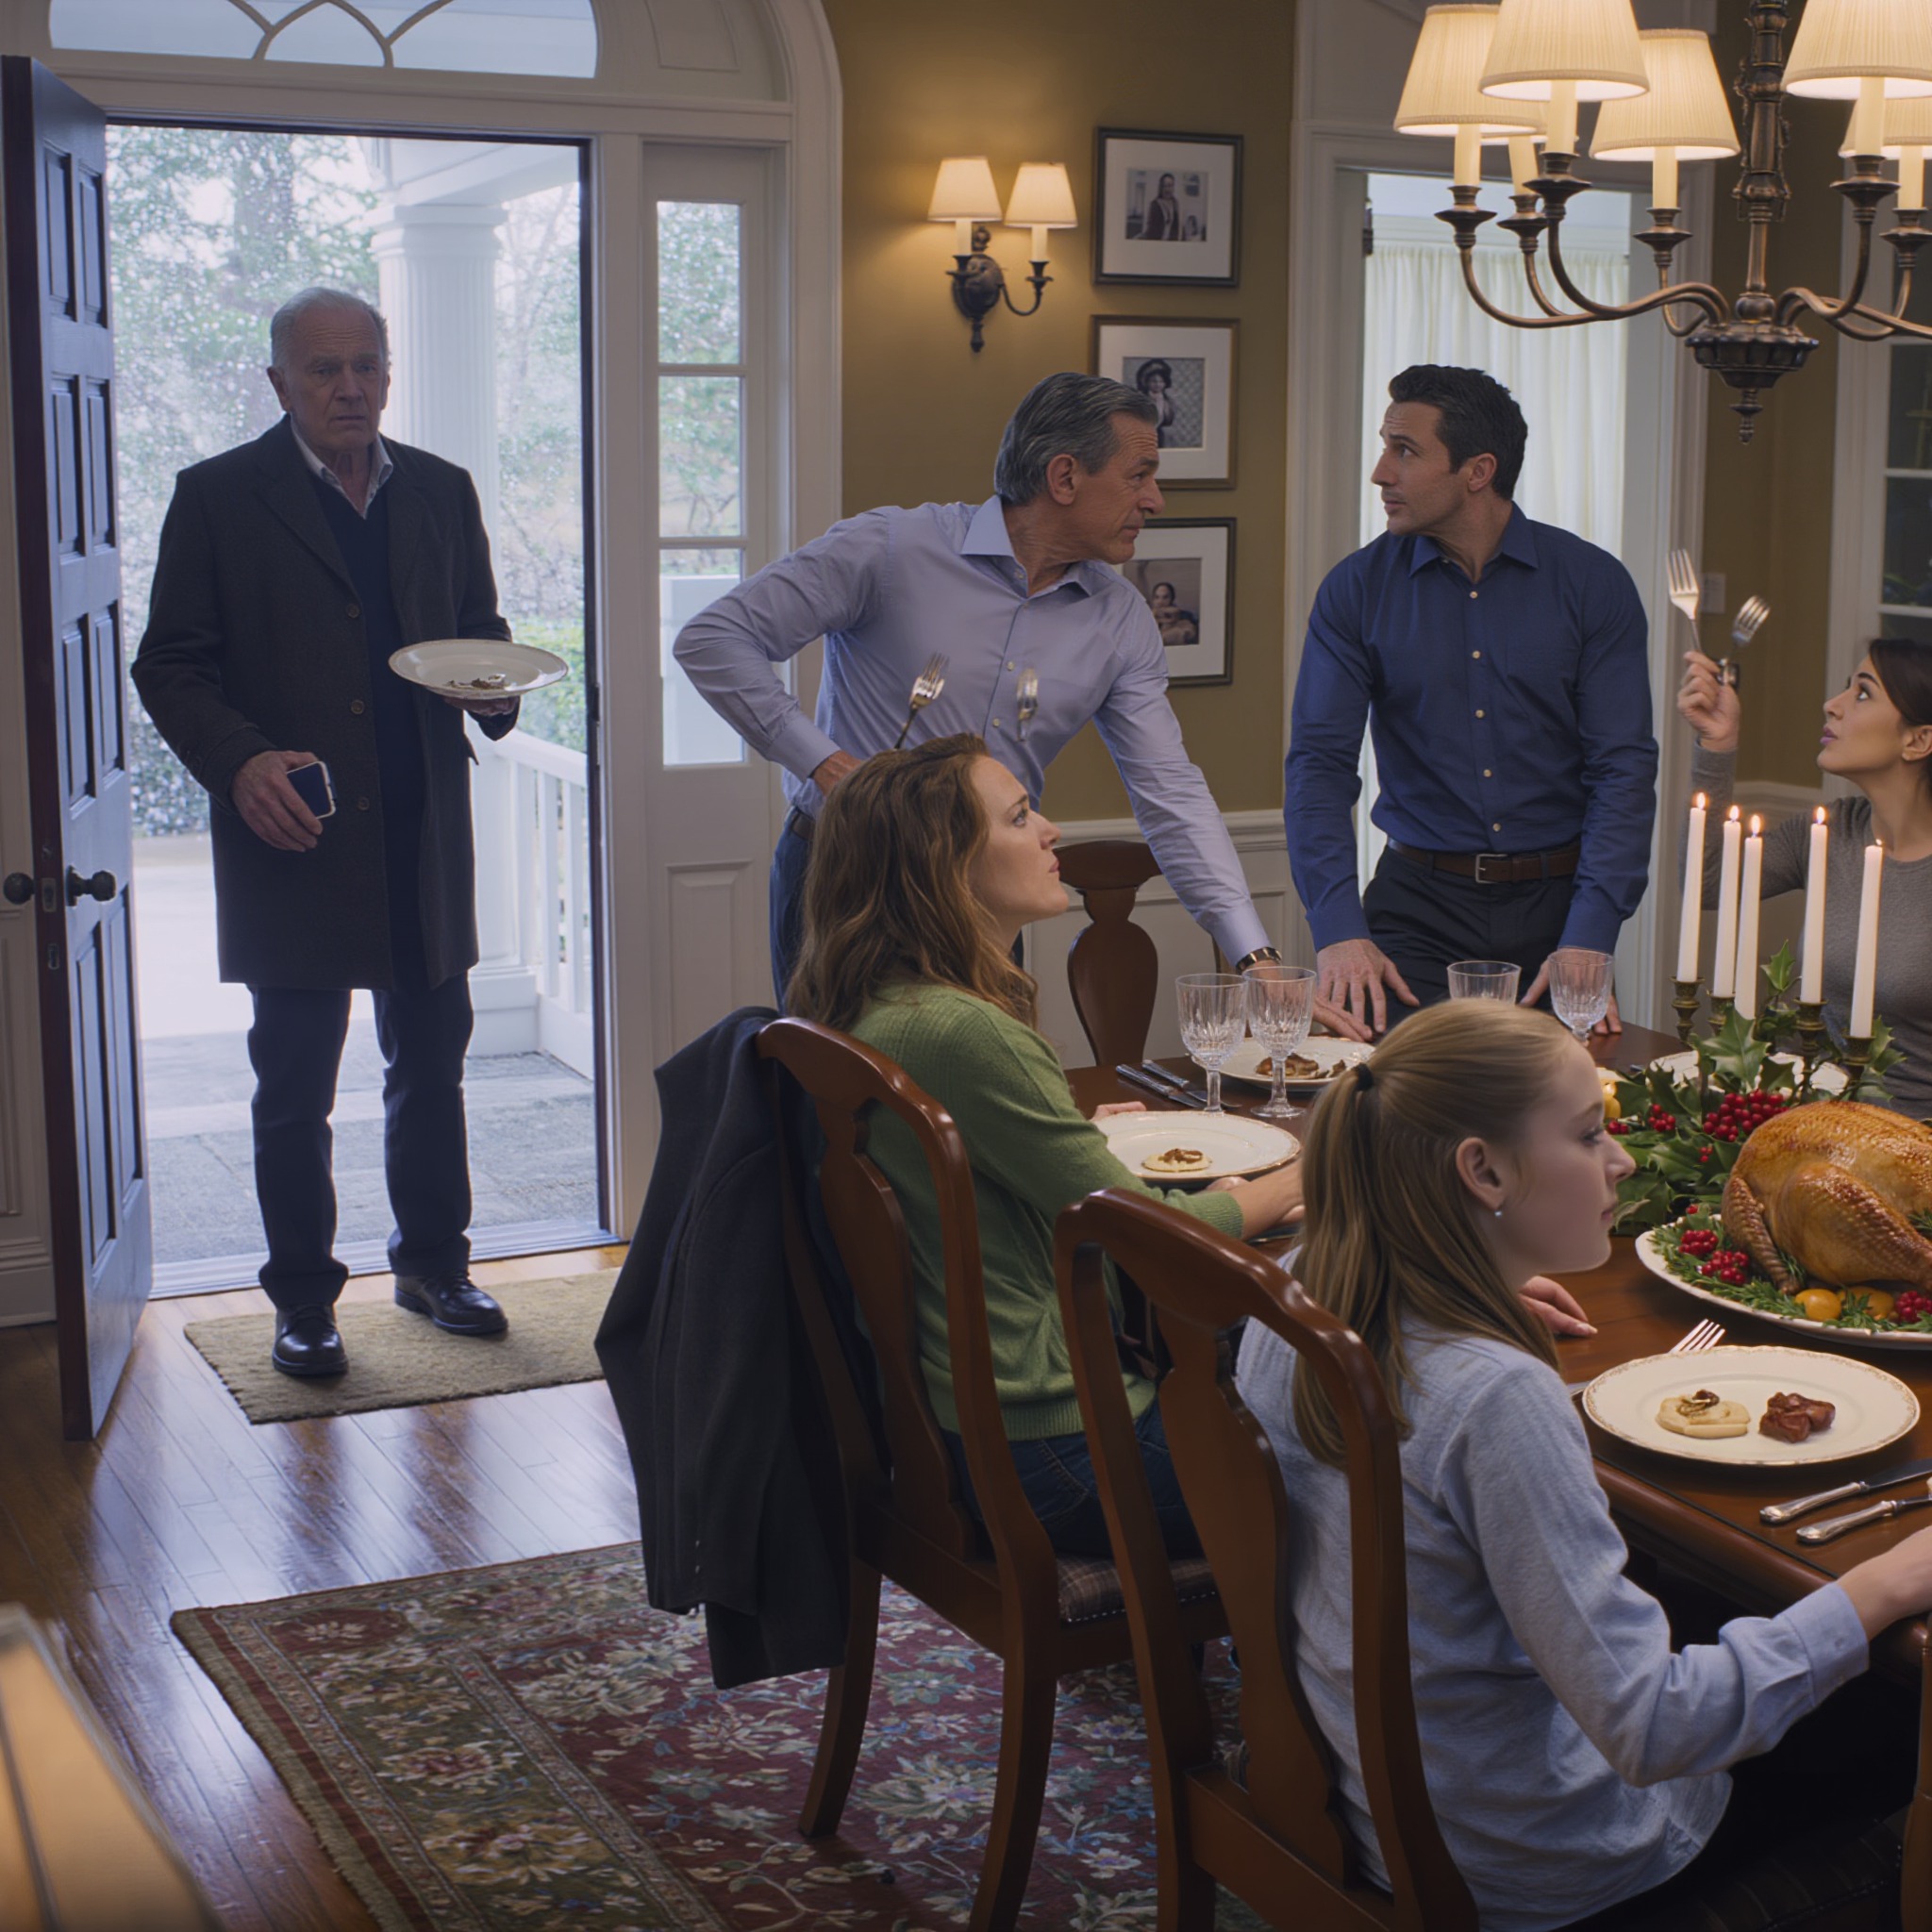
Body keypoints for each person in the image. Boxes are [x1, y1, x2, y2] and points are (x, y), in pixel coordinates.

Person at [1239, 1000, 1929, 1929]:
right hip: (1545, 1858)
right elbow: (1652, 1726)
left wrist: (1474, 1288)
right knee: (1899, 1709)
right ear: (1479, 1169)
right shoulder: (1494, 1398)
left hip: (1377, 1793)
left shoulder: (1294, 1292)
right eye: (1587, 1133)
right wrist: (1883, 1584)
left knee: (1721, 1607)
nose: (1621, 1161)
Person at [675, 370, 1353, 1026]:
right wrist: (828, 767)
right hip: (849, 879)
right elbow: (714, 639)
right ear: (1064, 477)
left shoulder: (1120, 620)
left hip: (989, 897)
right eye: (1139, 475)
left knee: (988, 1118)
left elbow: (1170, 790)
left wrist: (1254, 955)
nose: (1155, 501)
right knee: (833, 1115)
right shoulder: (889, 549)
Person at [786, 734, 1306, 1557]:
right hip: (1061, 1449)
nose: (1052, 830)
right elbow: (1140, 1237)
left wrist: (1076, 1140)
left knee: (1314, 1365)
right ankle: (1299, 1676)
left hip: (969, 1424)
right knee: (1379, 1461)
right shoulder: (962, 1031)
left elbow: (985, 1177)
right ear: (944, 865)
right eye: (1021, 816)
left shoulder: (881, 1004)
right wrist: (1292, 1176)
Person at [132, 287, 519, 1379]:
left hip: (421, 832)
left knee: (431, 1066)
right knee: (294, 1084)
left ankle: (434, 1266)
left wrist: (495, 690)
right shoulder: (215, 497)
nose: (349, 387)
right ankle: (302, 1296)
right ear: (278, 383)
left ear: (389, 373)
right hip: (292, 832)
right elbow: (169, 663)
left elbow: (476, 633)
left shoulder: (441, 489)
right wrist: (240, 758)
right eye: (323, 370)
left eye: (367, 366)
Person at [1285, 364, 1657, 1032]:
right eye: (1384, 446)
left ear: (1478, 471)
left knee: (1557, 1120)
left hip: (1559, 916)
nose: (1381, 472)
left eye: (1405, 450)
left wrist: (1591, 933)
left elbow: (1623, 771)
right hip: (1416, 909)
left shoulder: (1593, 586)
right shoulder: (1355, 589)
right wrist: (1338, 928)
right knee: (1397, 1114)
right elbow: (1318, 765)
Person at [1679, 636, 1932, 1117]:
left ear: (1917, 740)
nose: (1831, 706)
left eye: (1862, 693)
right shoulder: (1829, 833)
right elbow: (1708, 881)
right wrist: (1718, 743)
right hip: (1809, 1122)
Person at [1133, 358, 1177, 444]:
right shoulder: (1141, 399)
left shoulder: (1167, 401)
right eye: (1154, 381)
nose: (1157, 384)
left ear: (1165, 384)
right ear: (1147, 382)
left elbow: (1169, 420)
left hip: (1159, 434)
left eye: (1161, 382)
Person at [1147, 580, 1198, 649]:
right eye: (1157, 597)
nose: (1160, 602)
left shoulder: (1184, 617)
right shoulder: (1147, 619)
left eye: (1165, 597)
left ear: (1172, 599)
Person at [1141, 172, 1182, 242]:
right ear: (1161, 187)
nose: (1168, 189)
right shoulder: (1155, 204)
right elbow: (1151, 229)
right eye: (1165, 186)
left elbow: (1176, 227)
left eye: (1170, 186)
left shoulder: (1175, 204)